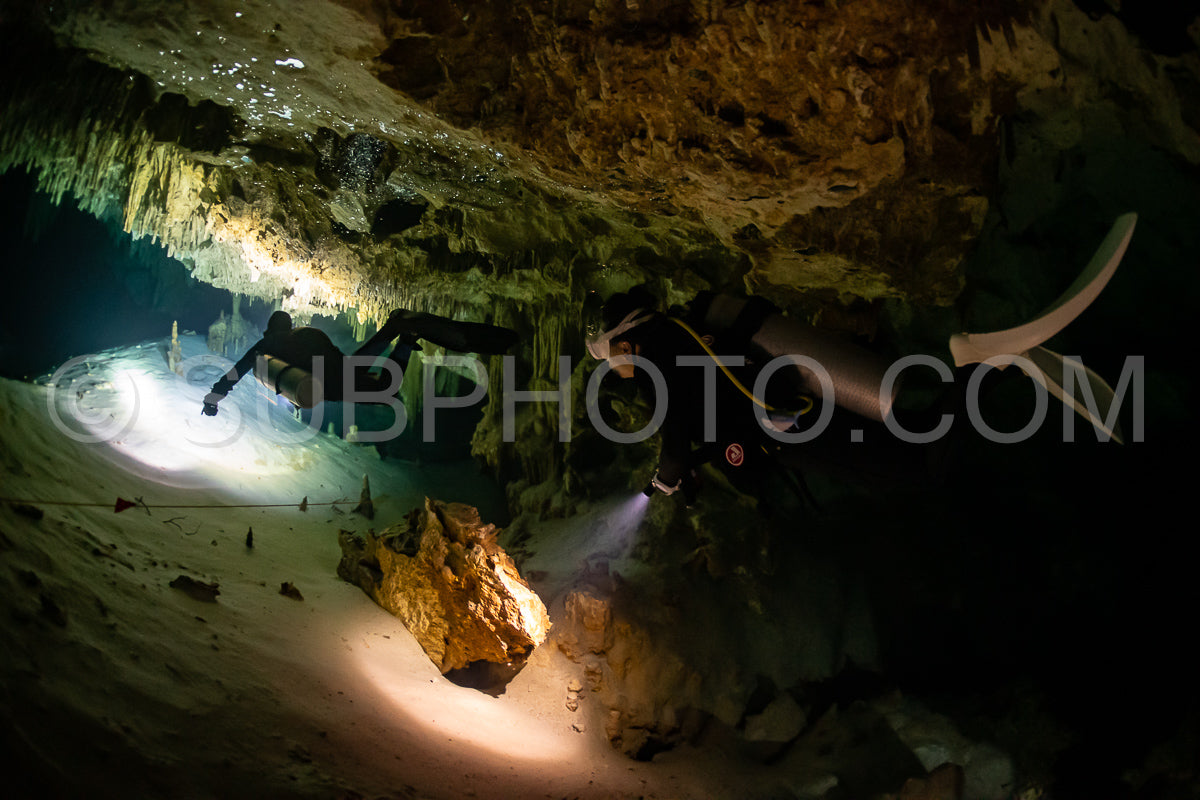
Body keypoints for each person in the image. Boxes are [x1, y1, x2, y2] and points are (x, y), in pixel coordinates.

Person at [202, 308, 517, 416]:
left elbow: (236, 372)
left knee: (387, 388)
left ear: (271, 328)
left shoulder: (267, 344)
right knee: (376, 360)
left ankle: (404, 338)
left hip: (333, 385)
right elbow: (331, 351)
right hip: (344, 368)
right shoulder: (304, 332)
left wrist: (213, 399)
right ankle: (398, 329)